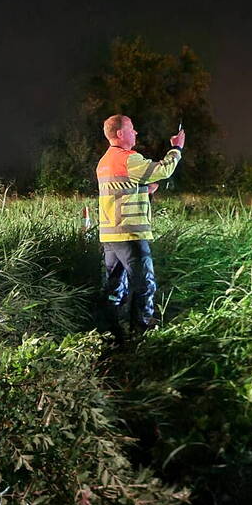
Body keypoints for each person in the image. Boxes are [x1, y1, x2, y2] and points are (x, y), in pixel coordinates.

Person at [96, 115, 185, 338]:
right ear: (120, 133)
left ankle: (109, 334)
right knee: (144, 284)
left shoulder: (105, 161)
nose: (135, 133)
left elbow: (120, 193)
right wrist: (176, 148)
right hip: (130, 233)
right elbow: (163, 170)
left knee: (114, 288)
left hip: (110, 236)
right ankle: (141, 334)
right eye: (132, 128)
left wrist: (145, 190)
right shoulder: (128, 158)